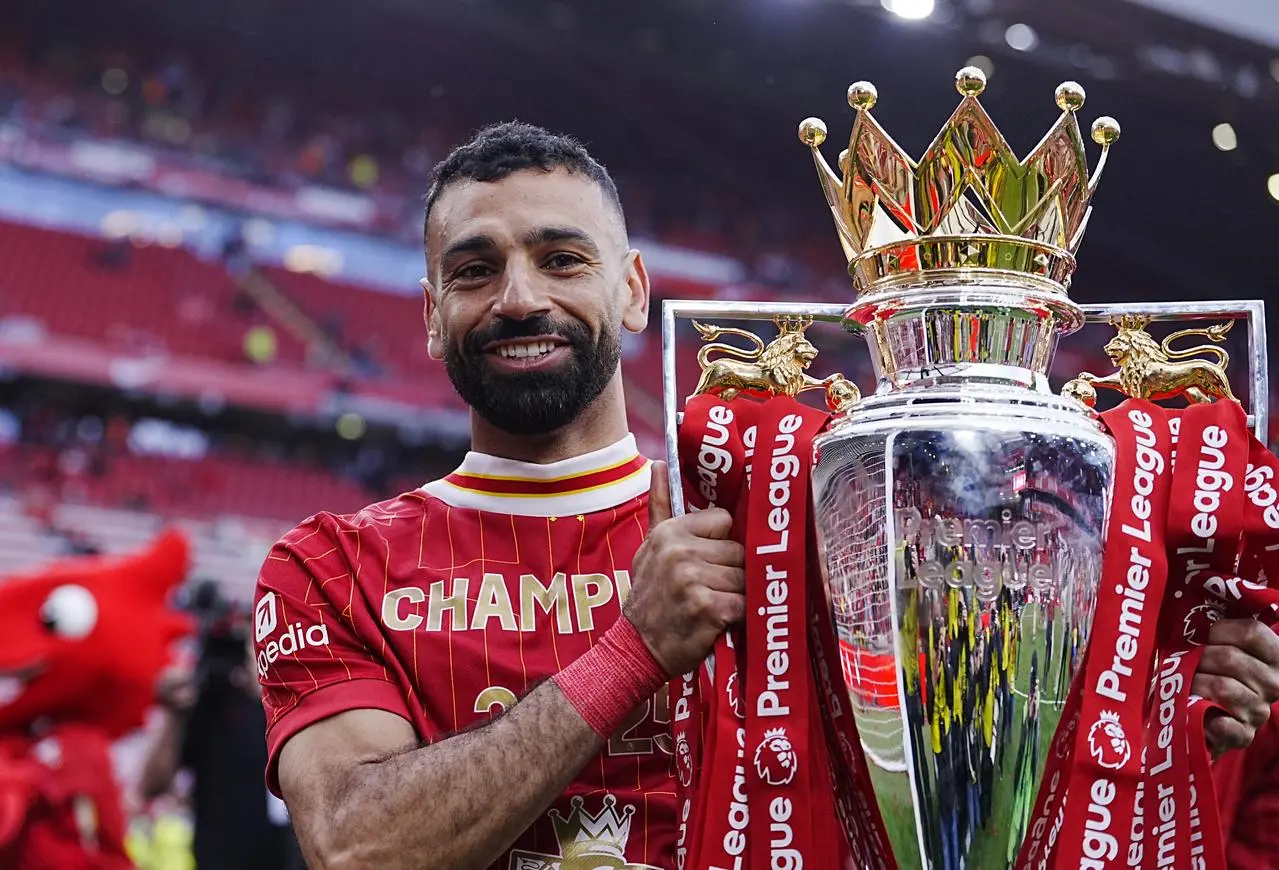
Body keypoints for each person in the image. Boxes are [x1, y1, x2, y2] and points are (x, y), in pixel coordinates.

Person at [253, 121, 1279, 870]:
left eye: (562, 259)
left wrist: (1170, 691)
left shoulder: (797, 518)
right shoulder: (332, 563)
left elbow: (959, 771)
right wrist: (632, 650)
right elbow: (359, 846)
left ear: (633, 290)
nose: (521, 296)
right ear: (432, 315)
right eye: (475, 271)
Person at [139, 593, 306, 870]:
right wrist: (173, 715)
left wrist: (266, 691)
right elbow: (152, 785)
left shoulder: (280, 708)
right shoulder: (197, 705)